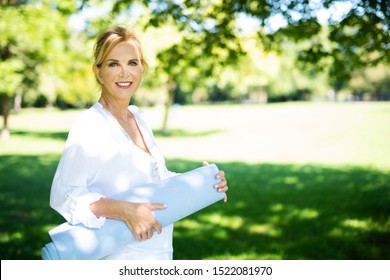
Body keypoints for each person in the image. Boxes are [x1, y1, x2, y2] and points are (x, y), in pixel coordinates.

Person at [49, 26, 229, 260]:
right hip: (120, 257)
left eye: (132, 63)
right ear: (99, 72)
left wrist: (202, 182)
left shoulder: (138, 117)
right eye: (114, 64)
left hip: (158, 251)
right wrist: (126, 211)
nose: (125, 73)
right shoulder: (90, 126)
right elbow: (65, 196)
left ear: (142, 68)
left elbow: (156, 177)